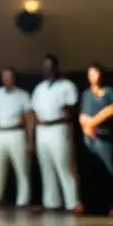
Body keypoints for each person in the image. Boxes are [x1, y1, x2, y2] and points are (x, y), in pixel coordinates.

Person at [30, 55, 83, 214]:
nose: (46, 69)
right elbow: (34, 111)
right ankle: (51, 202)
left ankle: (72, 202)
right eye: (44, 66)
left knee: (64, 165)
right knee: (46, 167)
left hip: (59, 127)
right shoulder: (39, 88)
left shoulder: (66, 85)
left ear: (56, 68)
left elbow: (72, 107)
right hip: (42, 129)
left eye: (49, 66)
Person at [0, 68, 33, 209]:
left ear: (14, 78)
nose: (7, 79)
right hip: (0, 133)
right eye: (4, 77)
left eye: (9, 77)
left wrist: (30, 139)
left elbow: (29, 118)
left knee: (21, 169)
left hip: (16, 132)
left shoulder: (22, 95)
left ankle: (23, 201)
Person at [79, 64, 113, 216]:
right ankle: (94, 205)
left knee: (111, 171)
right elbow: (82, 116)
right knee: (93, 172)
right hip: (89, 138)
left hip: (105, 137)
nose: (93, 76)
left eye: (95, 73)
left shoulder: (109, 92)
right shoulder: (85, 94)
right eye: (90, 74)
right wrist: (87, 126)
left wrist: (93, 122)